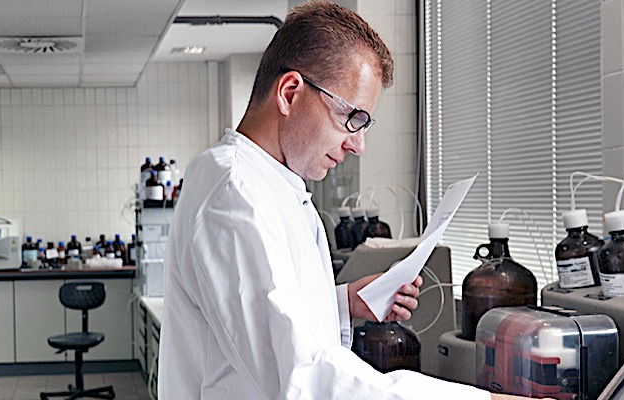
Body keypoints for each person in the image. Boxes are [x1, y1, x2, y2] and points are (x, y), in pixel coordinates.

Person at [158, 2, 537, 399]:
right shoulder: (235, 194)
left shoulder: (270, 183)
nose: (358, 145)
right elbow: (302, 378)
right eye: (352, 119)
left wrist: (345, 303)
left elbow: (260, 322)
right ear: (290, 93)